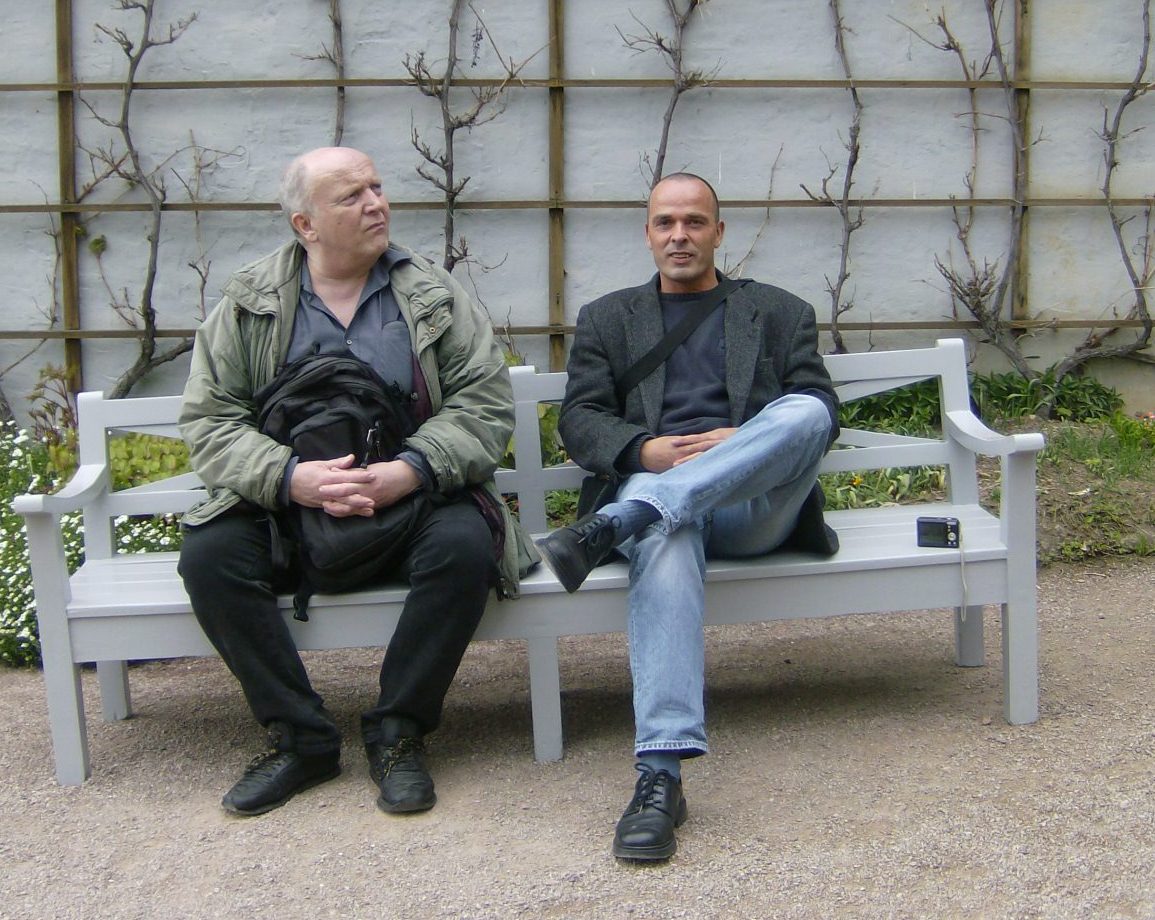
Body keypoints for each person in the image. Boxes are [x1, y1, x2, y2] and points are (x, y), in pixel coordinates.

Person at [176, 146, 537, 817]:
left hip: (410, 496)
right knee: (210, 556)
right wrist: (289, 478)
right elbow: (209, 419)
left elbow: (483, 405)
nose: (377, 204)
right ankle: (302, 740)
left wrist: (412, 469)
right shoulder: (248, 304)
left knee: (464, 546)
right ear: (304, 224)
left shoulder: (432, 294)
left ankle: (398, 733)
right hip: (290, 509)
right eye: (351, 196)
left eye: (377, 188)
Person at [549, 172, 841, 862]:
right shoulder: (608, 318)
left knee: (804, 410)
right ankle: (660, 775)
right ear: (648, 232)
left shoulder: (778, 312)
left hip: (752, 511)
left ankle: (627, 516)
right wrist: (641, 450)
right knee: (666, 532)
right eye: (665, 223)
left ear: (719, 231)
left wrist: (740, 444)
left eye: (694, 222)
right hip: (665, 505)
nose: (679, 235)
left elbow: (818, 416)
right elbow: (579, 418)